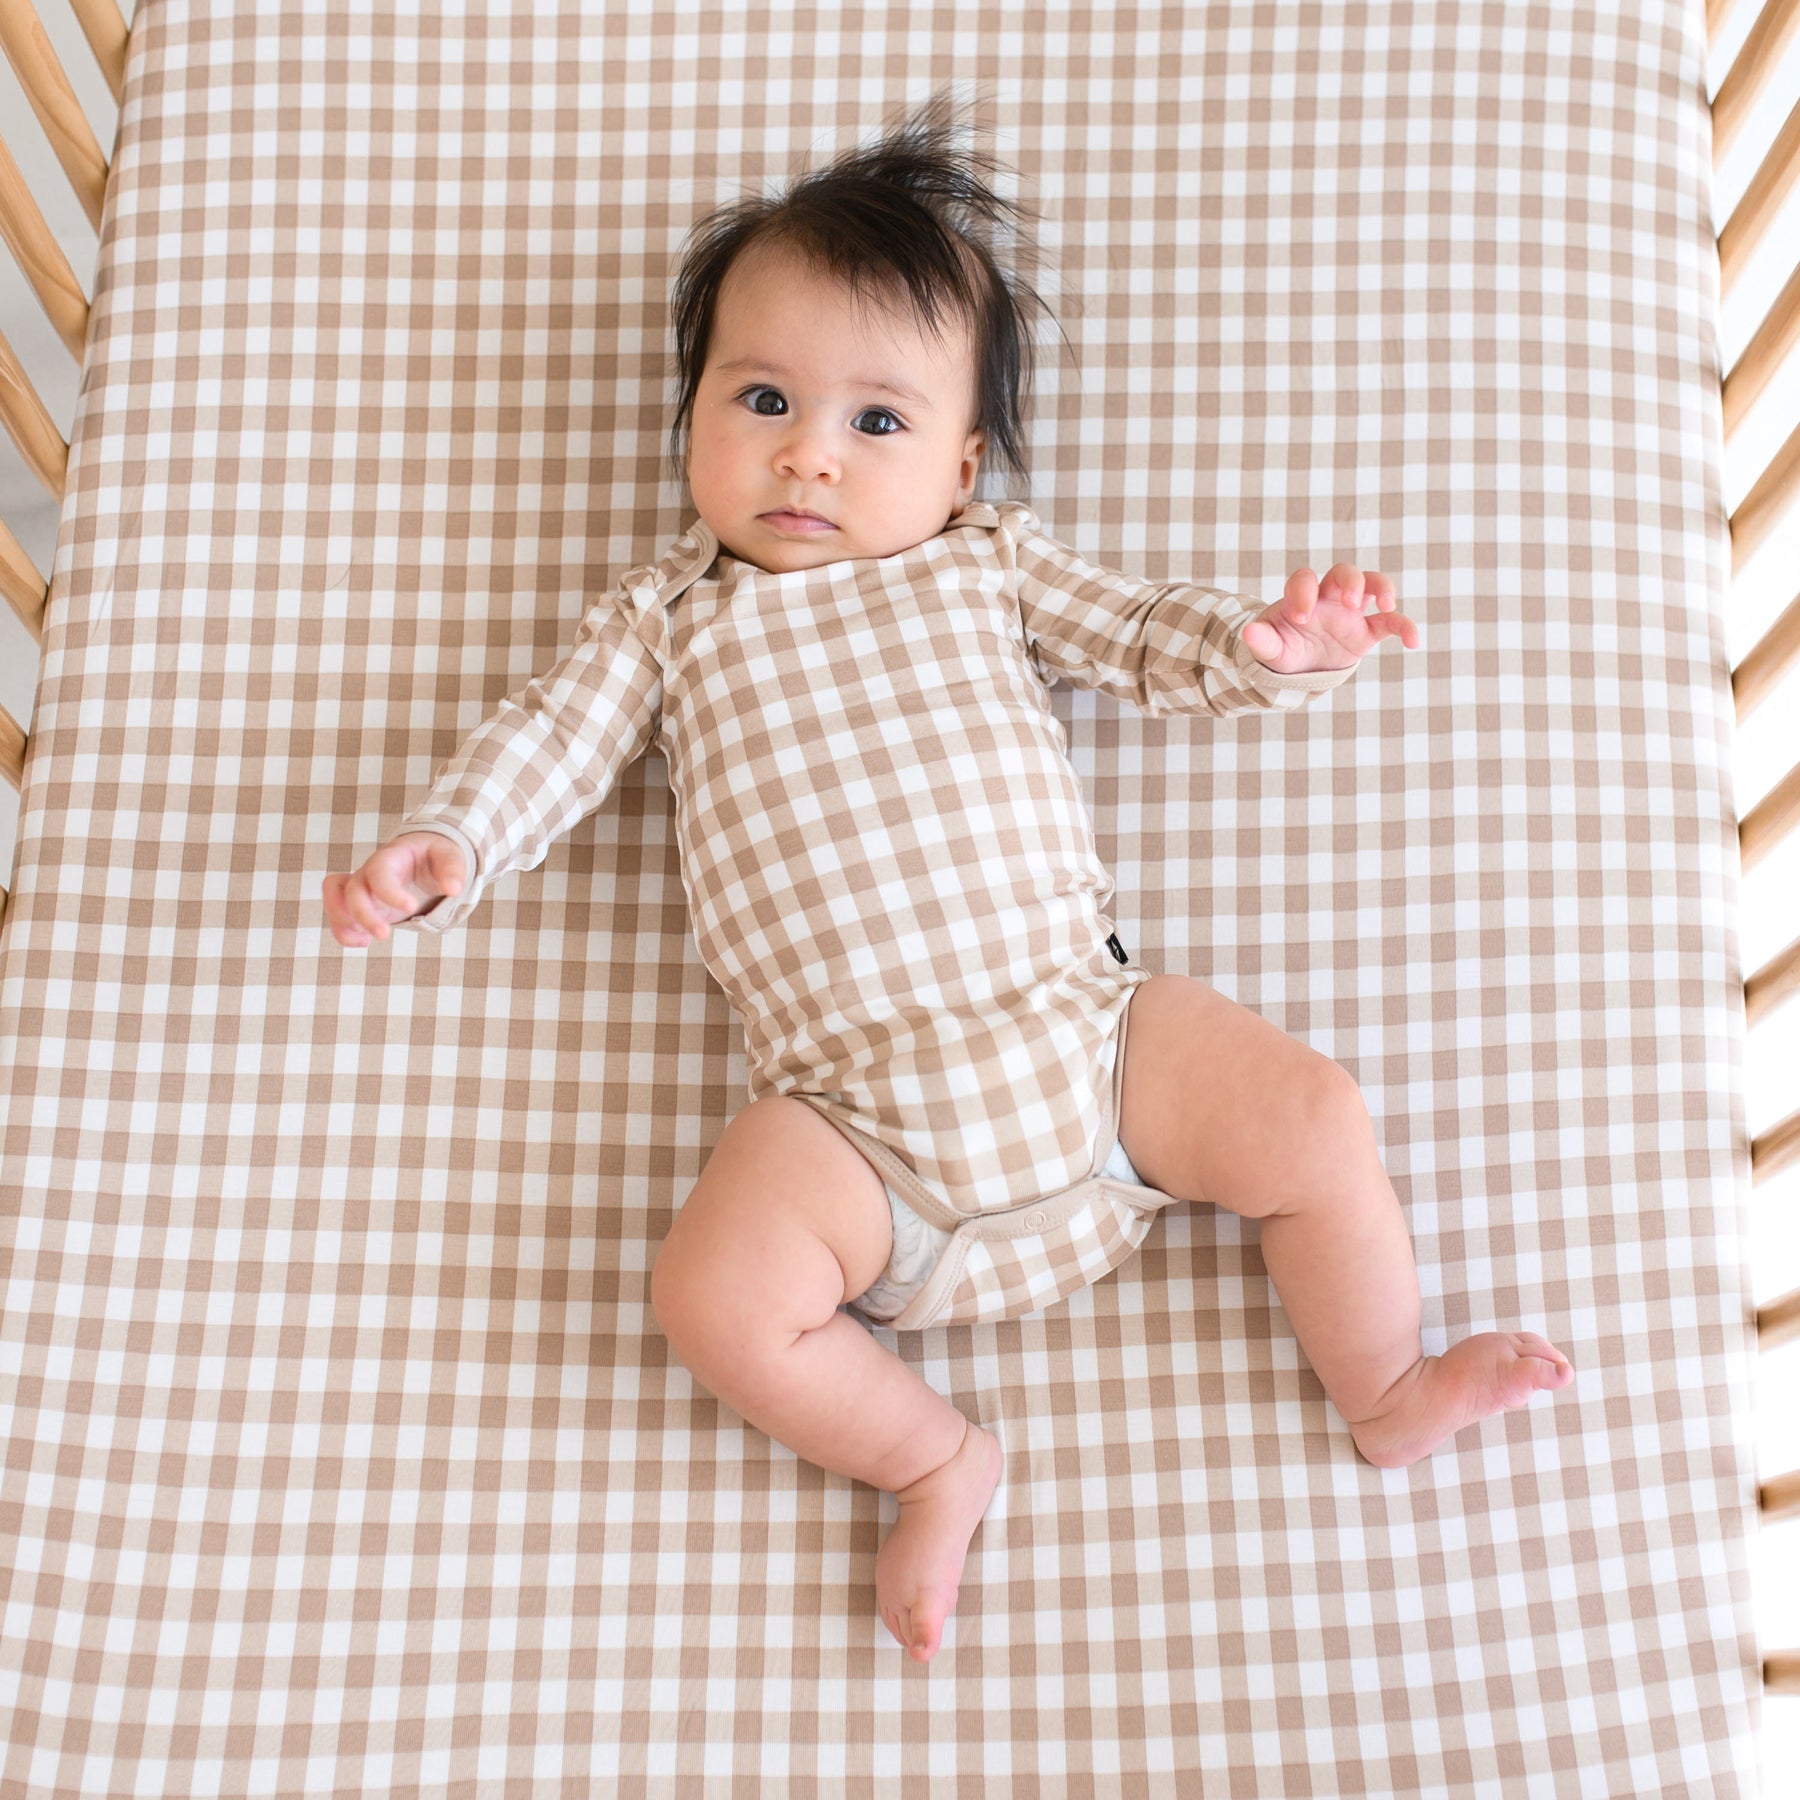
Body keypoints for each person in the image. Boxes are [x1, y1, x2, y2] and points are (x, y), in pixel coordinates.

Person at [322, 88, 1574, 1665]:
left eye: (877, 421)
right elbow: (551, 744)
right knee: (711, 1295)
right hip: (853, 1129)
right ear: (693, 413)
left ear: (965, 458)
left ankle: (1386, 1389)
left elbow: (1141, 637)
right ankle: (934, 1457)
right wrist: (449, 843)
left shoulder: (986, 560)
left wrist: (1271, 648)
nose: (809, 462)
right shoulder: (667, 616)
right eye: (760, 399)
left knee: (1315, 1117)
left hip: (1087, 1048)